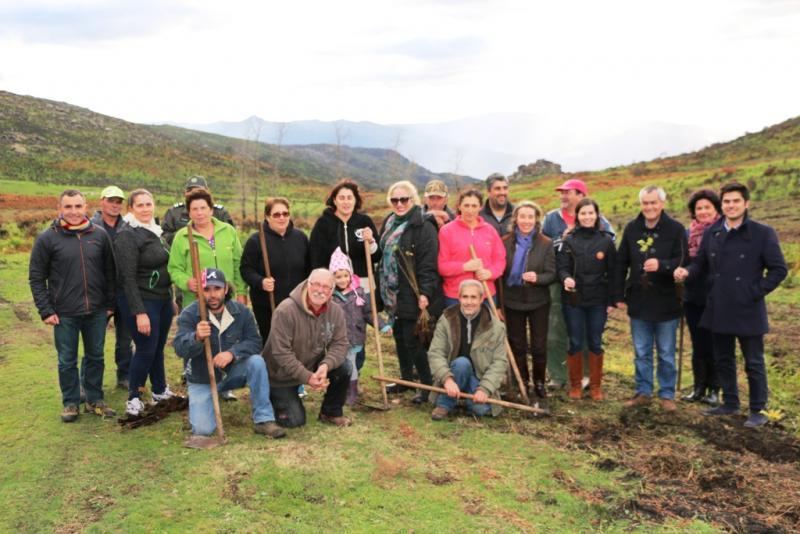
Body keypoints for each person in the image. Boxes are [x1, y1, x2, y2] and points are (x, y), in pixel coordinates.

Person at [675, 182, 787, 427]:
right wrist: (687, 271)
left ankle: (758, 409)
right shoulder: (713, 233)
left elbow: (778, 270)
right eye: (726, 201)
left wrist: (754, 292)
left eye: (736, 201)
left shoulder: (762, 233)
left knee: (753, 362)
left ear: (746, 203)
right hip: (719, 305)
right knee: (723, 358)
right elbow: (700, 264)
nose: (731, 205)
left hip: (748, 307)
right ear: (722, 205)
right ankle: (730, 402)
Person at [28, 189, 117, 422]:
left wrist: (110, 304)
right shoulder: (47, 238)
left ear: (85, 207)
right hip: (64, 313)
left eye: (78, 206)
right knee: (67, 360)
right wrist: (46, 310)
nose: (74, 211)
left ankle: (94, 399)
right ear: (59, 209)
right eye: (68, 207)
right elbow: (36, 277)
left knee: (96, 357)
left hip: (96, 310)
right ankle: (70, 402)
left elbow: (110, 272)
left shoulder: (99, 235)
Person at [173, 268, 286, 439]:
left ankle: (264, 419)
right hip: (203, 377)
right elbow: (179, 349)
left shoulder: (241, 311)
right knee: (203, 430)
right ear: (200, 291)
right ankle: (207, 401)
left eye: (217, 288)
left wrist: (232, 353)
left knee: (257, 362)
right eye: (207, 289)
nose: (212, 295)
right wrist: (196, 337)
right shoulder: (189, 314)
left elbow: (255, 342)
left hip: (233, 372)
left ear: (225, 289)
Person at [615, 186, 688, 412]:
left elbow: (683, 260)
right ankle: (643, 392)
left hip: (667, 301)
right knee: (642, 351)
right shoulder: (632, 228)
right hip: (639, 300)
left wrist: (663, 265)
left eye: (653, 202)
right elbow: (621, 262)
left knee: (666, 352)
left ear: (662, 204)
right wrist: (617, 294)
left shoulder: (676, 229)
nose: (649, 207)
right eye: (645, 203)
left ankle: (667, 394)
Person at [542, 178, 615, 390]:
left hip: (589, 285)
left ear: (581, 195)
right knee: (555, 330)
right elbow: (543, 245)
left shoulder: (599, 220)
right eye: (562, 192)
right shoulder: (551, 219)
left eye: (568, 192)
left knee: (584, 332)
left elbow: (609, 246)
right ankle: (558, 375)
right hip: (557, 281)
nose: (563, 196)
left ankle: (585, 376)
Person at [378, 180, 443, 403]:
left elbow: (428, 264)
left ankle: (426, 386)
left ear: (413, 200)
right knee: (399, 336)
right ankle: (406, 379)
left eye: (404, 199)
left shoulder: (423, 225)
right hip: (392, 292)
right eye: (394, 200)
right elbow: (382, 253)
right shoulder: (389, 221)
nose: (399, 204)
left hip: (412, 291)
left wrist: (425, 292)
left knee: (413, 339)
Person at [262, 269, 352, 428]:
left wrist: (325, 366)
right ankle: (269, 397)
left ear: (332, 290)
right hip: (280, 375)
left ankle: (330, 412)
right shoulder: (285, 310)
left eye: (326, 287)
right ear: (307, 284)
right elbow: (281, 353)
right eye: (316, 284)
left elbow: (340, 344)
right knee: (294, 421)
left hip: (310, 363)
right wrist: (307, 377)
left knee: (344, 367)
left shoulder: (335, 311)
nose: (320, 290)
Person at [114, 189, 176, 416]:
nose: (145, 209)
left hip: (161, 299)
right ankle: (134, 397)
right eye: (139, 205)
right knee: (146, 349)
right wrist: (139, 312)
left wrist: (170, 298)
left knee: (157, 347)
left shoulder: (154, 230)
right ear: (130, 208)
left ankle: (159, 390)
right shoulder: (127, 235)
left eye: (148, 204)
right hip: (142, 299)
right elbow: (127, 278)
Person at [308, 179, 380, 375]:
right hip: (334, 287)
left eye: (350, 197)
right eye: (342, 198)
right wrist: (321, 284)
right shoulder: (324, 224)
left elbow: (377, 256)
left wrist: (371, 242)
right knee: (335, 328)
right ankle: (336, 369)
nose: (346, 202)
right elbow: (315, 256)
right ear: (334, 200)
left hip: (361, 286)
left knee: (358, 327)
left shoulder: (364, 222)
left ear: (356, 200)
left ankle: (355, 371)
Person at [556, 198, 619, 401]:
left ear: (597, 215)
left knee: (595, 341)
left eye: (591, 213)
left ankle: (595, 386)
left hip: (598, 300)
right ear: (577, 216)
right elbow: (562, 267)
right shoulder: (568, 241)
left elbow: (614, 272)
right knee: (575, 340)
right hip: (573, 300)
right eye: (583, 213)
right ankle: (575, 385)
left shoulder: (606, 241)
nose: (587, 217)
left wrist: (611, 301)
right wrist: (566, 278)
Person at [428, 280, 509, 420]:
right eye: (465, 297)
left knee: (480, 410)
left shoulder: (495, 327)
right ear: (459, 298)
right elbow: (436, 353)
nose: (469, 302)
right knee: (462, 363)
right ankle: (444, 404)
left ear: (481, 299)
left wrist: (485, 389)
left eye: (473, 297)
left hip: (479, 378)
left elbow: (500, 362)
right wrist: (447, 379)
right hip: (454, 373)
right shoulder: (446, 320)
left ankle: (467, 399)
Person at [502, 201, 556, 399]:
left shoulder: (546, 243)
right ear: (515, 218)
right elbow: (500, 272)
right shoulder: (505, 242)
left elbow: (552, 274)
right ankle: (522, 381)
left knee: (539, 345)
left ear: (536, 219)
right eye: (522, 216)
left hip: (538, 301)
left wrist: (537, 278)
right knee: (517, 345)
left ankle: (539, 382)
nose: (526, 221)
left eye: (530, 217)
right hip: (512, 300)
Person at [240, 197, 311, 343]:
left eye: (285, 213)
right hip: (267, 305)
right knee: (272, 343)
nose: (282, 218)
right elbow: (246, 269)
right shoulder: (256, 240)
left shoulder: (301, 238)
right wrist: (261, 282)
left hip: (297, 303)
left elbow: (309, 268)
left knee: (297, 342)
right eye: (276, 214)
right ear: (267, 217)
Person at [329, 247, 390, 405]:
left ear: (350, 275)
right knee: (339, 364)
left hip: (355, 336)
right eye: (338, 277)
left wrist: (382, 325)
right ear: (332, 278)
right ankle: (340, 389)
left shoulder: (359, 293)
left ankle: (352, 391)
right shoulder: (330, 297)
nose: (342, 280)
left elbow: (369, 313)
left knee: (351, 364)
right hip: (337, 338)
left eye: (345, 276)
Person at [168, 188, 246, 307]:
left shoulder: (228, 231)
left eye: (203, 208)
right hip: (196, 302)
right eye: (194, 209)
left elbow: (238, 264)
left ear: (211, 210)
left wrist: (241, 293)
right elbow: (174, 269)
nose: (199, 213)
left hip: (227, 301)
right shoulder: (181, 237)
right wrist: (186, 282)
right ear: (189, 213)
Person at [680, 189, 722, 405]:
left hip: (716, 296)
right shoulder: (689, 233)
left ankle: (714, 389)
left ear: (716, 209)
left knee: (714, 343)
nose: (703, 211)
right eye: (699, 208)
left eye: (707, 207)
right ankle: (698, 388)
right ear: (693, 211)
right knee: (698, 342)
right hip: (692, 295)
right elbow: (685, 260)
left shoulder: (722, 232)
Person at [90, 185, 133, 390]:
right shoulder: (89, 226)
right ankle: (90, 383)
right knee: (95, 342)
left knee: (125, 340)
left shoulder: (128, 227)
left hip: (124, 292)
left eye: (118, 202)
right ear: (102, 201)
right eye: (111, 201)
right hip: (99, 293)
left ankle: (124, 376)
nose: (115, 205)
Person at [438, 188, 506, 308]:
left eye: (474, 206)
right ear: (459, 206)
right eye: (466, 205)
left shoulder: (490, 230)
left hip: (485, 295)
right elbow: (442, 266)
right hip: (456, 296)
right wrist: (465, 267)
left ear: (480, 207)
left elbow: (500, 261)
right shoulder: (446, 231)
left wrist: (490, 273)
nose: (470, 210)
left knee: (486, 321)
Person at [162, 175, 234, 245]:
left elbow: (230, 237)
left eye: (198, 189)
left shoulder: (220, 213)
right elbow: (164, 238)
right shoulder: (174, 212)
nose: (193, 193)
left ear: (207, 191)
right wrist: (185, 235)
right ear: (185, 193)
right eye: (189, 190)